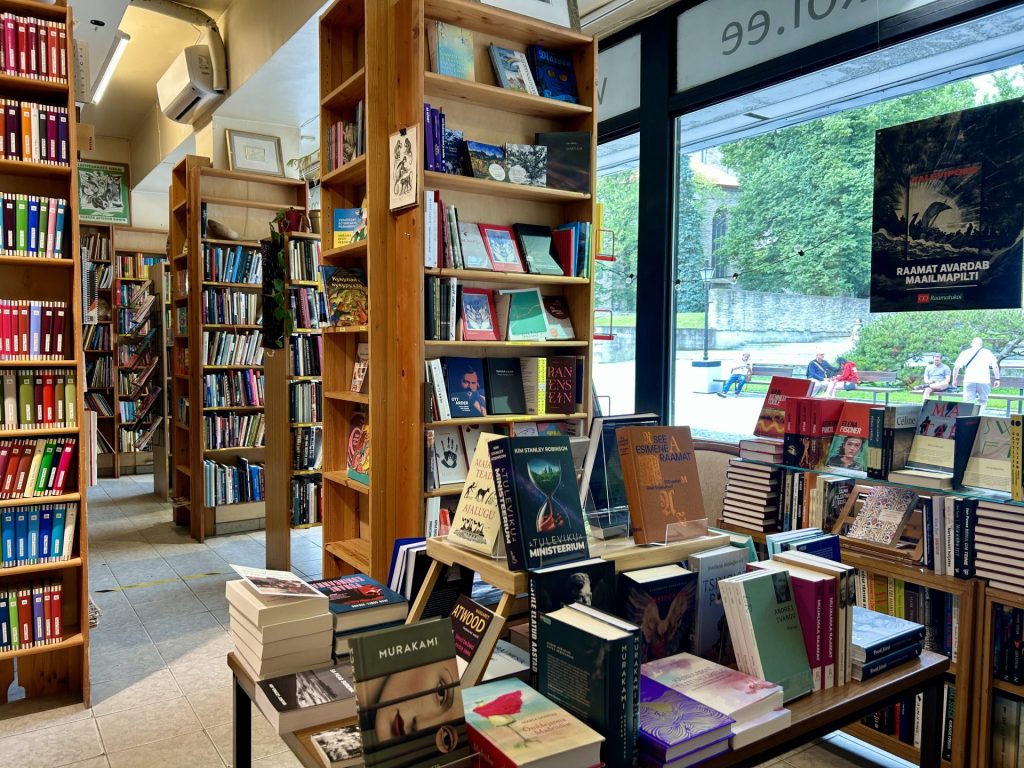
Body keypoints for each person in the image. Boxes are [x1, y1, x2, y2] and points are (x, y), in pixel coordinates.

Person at [952, 337, 1001, 410]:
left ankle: (968, 416)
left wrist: (954, 379)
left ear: (972, 344)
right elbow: (995, 366)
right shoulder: (987, 352)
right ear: (981, 344)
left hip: (969, 380)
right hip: (984, 381)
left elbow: (956, 367)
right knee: (982, 402)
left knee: (968, 401)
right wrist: (997, 379)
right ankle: (979, 415)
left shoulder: (965, 353)